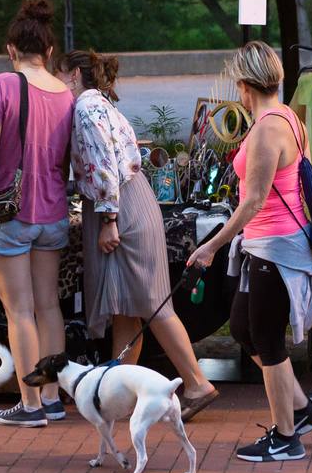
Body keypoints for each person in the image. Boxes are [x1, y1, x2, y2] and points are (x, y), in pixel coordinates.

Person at [57, 49, 221, 420]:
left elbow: (102, 165)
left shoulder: (85, 108)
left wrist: (109, 218)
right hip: (133, 199)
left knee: (148, 302)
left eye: (60, 76)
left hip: (121, 207)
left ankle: (196, 384)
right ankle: (121, 393)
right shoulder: (100, 105)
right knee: (129, 308)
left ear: (73, 75)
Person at [187, 41, 312, 462]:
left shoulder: (268, 127)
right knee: (243, 326)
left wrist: (212, 245)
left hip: (277, 246)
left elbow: (254, 200)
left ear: (246, 85)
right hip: (268, 244)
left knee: (265, 337)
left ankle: (286, 437)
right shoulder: (285, 117)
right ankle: (302, 408)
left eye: (239, 86)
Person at [0, 0, 74, 428]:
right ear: (48, 52)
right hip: (53, 212)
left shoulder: (3, 86)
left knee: (19, 311)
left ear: (11, 50)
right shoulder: (64, 92)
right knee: (49, 308)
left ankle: (28, 405)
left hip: (9, 213)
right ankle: (52, 396)